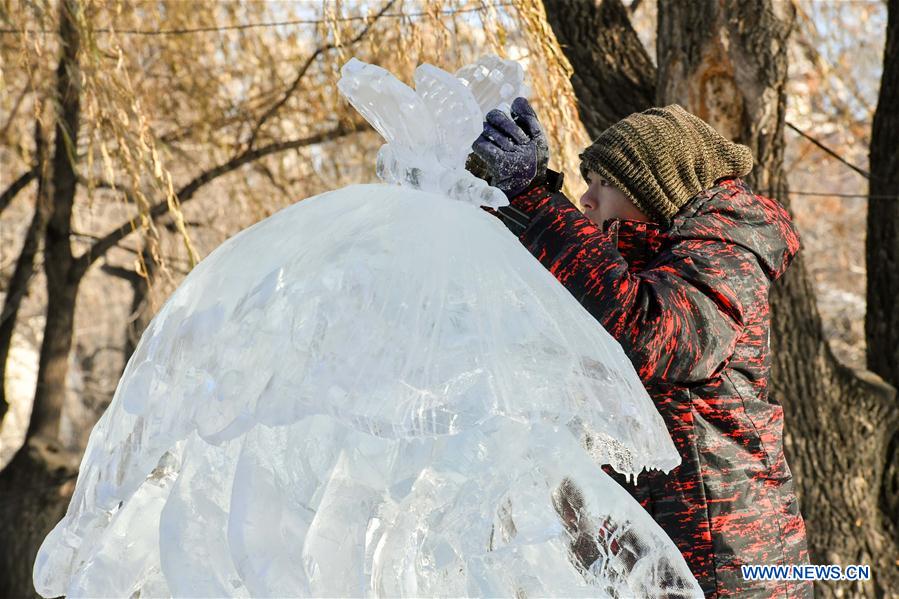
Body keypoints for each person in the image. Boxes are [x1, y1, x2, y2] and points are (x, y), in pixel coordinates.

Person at [468, 98, 813, 598]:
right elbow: (580, 288)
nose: (585, 201)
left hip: (729, 564)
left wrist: (539, 202)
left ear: (651, 187)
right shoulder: (644, 265)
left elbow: (659, 335)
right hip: (647, 556)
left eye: (601, 185)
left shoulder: (727, 248)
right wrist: (504, 198)